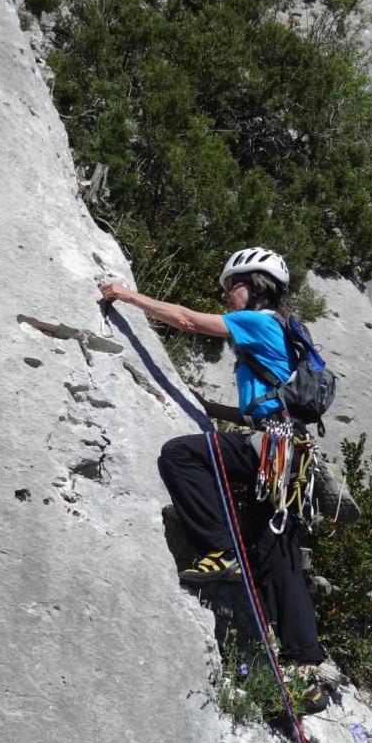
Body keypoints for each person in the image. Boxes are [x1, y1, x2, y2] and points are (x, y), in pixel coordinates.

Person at [99, 247, 329, 698]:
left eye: (232, 287)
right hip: (291, 454)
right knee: (277, 557)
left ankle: (221, 549)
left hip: (273, 449)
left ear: (257, 285)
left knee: (180, 455)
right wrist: (212, 408)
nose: (226, 296)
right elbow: (269, 403)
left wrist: (127, 295)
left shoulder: (258, 320)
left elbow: (186, 320)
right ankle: (305, 675)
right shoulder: (285, 329)